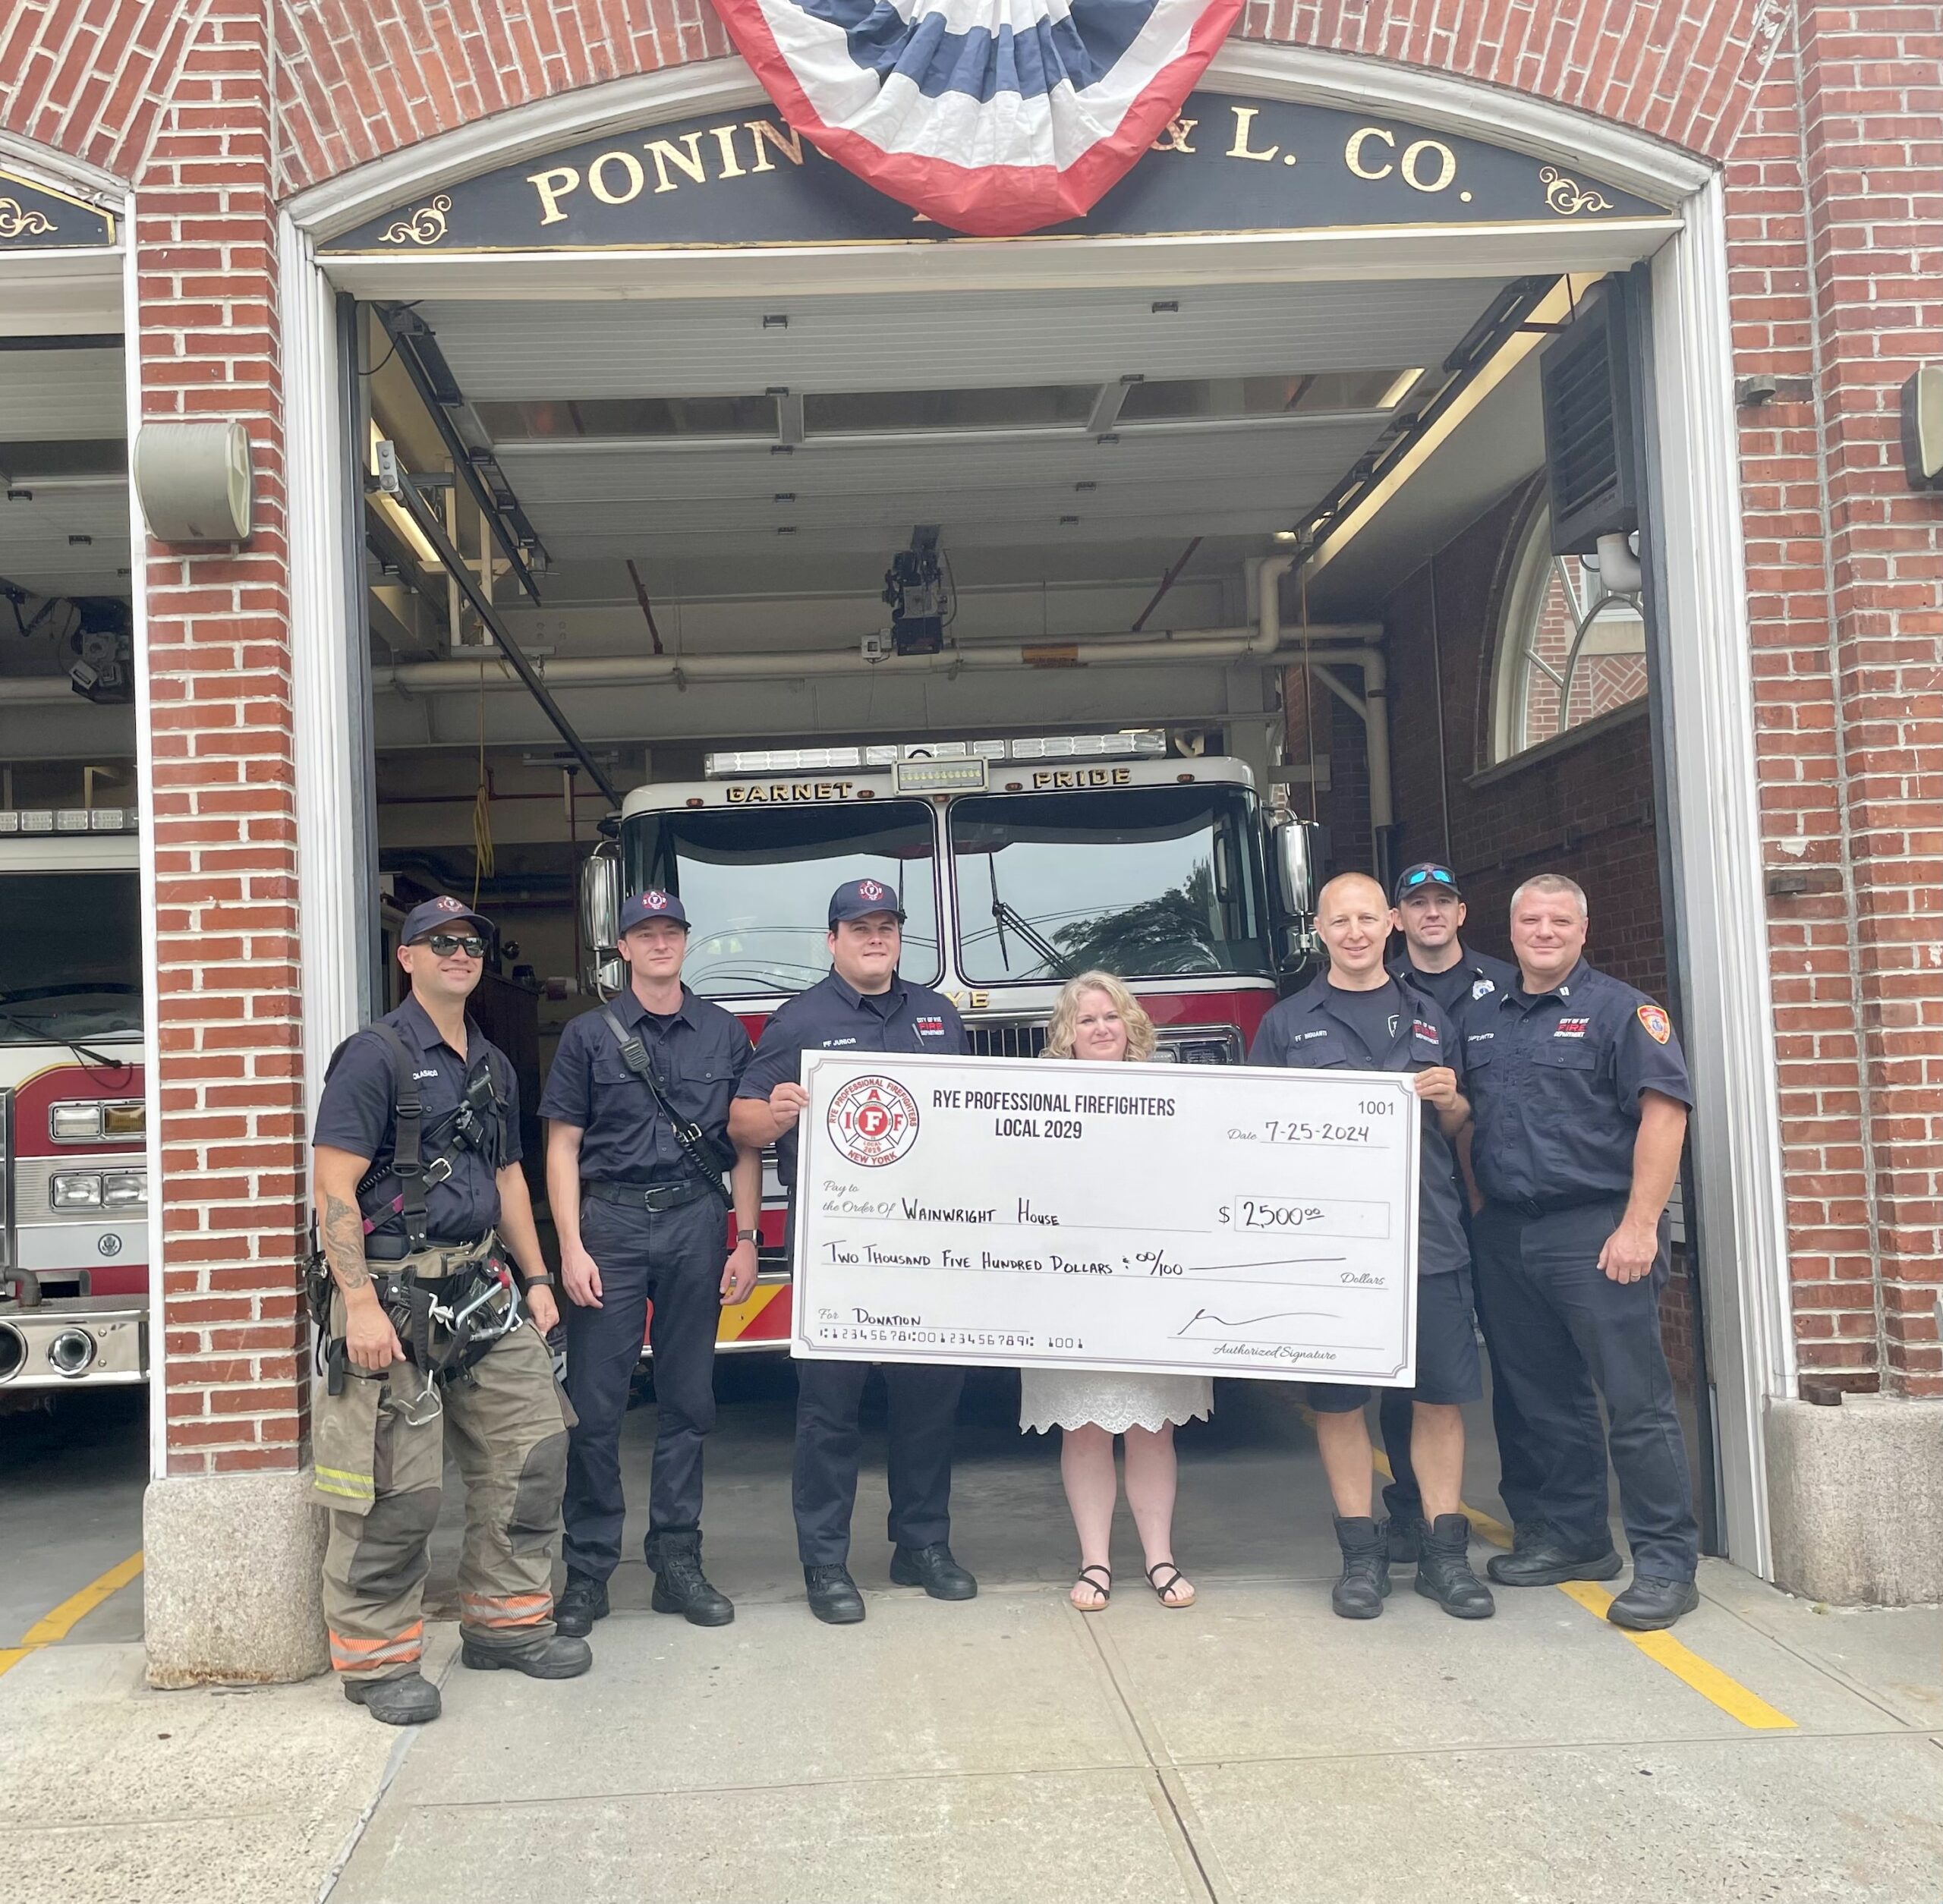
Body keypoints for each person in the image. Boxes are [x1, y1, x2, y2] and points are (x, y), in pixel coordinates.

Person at [310, 895, 588, 1726]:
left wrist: (537, 1279)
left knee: (532, 1450)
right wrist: (357, 1302)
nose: (458, 953)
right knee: (394, 1490)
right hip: (390, 1299)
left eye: (470, 943)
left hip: (483, 1289)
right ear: (407, 958)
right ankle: (377, 1659)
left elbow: (507, 1179)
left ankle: (506, 1623)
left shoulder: (493, 1064)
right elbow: (333, 1187)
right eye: (439, 943)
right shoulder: (373, 1057)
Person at [729, 878, 978, 1625]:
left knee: (930, 1401)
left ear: (900, 936)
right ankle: (826, 1560)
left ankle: (922, 1544)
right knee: (829, 1410)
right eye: (859, 927)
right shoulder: (797, 1021)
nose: (875, 938)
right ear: (832, 940)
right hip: (837, 1247)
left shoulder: (938, 1015)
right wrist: (770, 1115)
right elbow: (740, 1122)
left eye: (886, 926)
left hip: (928, 1243)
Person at [1249, 871, 1494, 1621]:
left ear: (1390, 924)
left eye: (1365, 917)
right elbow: (1253, 1135)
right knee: (1340, 1403)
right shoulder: (1286, 1025)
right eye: (1338, 920)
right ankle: (1360, 1557)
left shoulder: (1429, 1016)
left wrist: (1453, 1100)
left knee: (1439, 1399)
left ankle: (1443, 1557)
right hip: (1328, 1250)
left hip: (1428, 1237)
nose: (1354, 932)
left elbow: (1461, 1130)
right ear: (1317, 930)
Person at [1463, 872, 1700, 1630]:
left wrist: (1639, 1224)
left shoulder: (1624, 1012)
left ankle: (1666, 1562)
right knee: (1545, 1402)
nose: (1543, 931)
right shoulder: (1481, 1018)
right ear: (1511, 930)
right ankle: (1575, 1539)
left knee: (1635, 1404)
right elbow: (1472, 1121)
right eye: (1530, 919)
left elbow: (1664, 1118)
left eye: (1558, 920)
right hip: (1507, 1232)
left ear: (1582, 930)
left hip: (1596, 1229)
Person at [541, 889, 763, 1638]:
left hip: (696, 1222)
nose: (660, 943)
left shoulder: (724, 1033)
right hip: (610, 1224)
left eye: (671, 931)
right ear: (625, 949)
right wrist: (569, 1245)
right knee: (596, 1410)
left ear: (685, 943)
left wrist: (745, 1237)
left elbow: (743, 1146)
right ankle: (589, 1571)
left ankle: (677, 1564)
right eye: (646, 933)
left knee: (688, 1400)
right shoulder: (587, 1037)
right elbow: (562, 1146)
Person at [1019, 971, 1211, 1613]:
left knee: (1153, 1426)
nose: (1100, 1028)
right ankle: (1095, 1561)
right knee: (1084, 1428)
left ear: (1131, 1025)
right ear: (1065, 1034)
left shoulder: (1176, 1093)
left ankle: (1160, 1557)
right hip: (1068, 1289)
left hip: (1154, 1285)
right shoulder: (1036, 1100)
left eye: (1111, 1016)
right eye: (1086, 1019)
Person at [1378, 860, 1539, 1565]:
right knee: (1406, 1368)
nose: (1431, 913)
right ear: (1398, 918)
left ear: (1463, 912)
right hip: (1420, 1210)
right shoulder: (1378, 988)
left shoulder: (1507, 985)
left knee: (1519, 1363)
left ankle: (1536, 1517)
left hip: (1498, 1200)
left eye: (1443, 901)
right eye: (1417, 903)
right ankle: (1411, 1514)